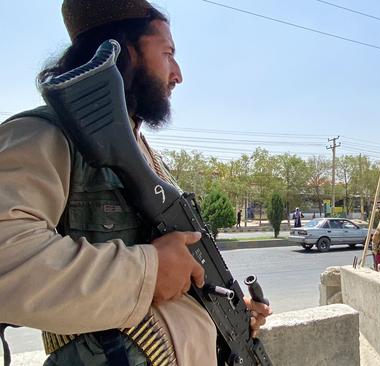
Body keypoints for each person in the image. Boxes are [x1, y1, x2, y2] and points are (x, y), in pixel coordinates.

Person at [0, 1, 271, 365]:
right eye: (168, 53)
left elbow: (177, 274)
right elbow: (9, 260)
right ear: (125, 50)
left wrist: (228, 307)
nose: (178, 74)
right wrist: (148, 270)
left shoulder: (144, 154)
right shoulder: (42, 135)